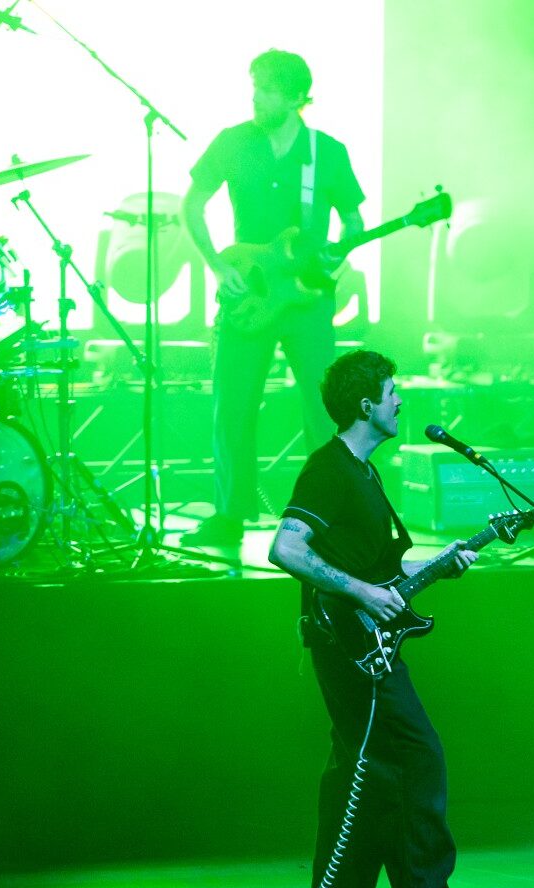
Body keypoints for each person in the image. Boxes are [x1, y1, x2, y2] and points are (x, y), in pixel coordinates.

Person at [269, 348, 491, 888]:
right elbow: (286, 548)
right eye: (392, 393)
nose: (401, 401)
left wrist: (441, 563)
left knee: (363, 777)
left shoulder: (365, 473)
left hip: (366, 645)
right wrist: (362, 593)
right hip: (348, 647)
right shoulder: (328, 470)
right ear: (366, 405)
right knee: (418, 757)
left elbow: (380, 571)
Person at [182, 49, 365, 547]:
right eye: (255, 86)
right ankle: (229, 515)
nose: (256, 97)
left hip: (309, 300)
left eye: (267, 89)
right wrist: (217, 265)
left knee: (323, 410)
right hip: (248, 294)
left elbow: (353, 222)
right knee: (233, 403)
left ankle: (326, 518)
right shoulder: (233, 141)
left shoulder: (327, 152)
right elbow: (192, 205)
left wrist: (339, 254)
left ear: (298, 97)